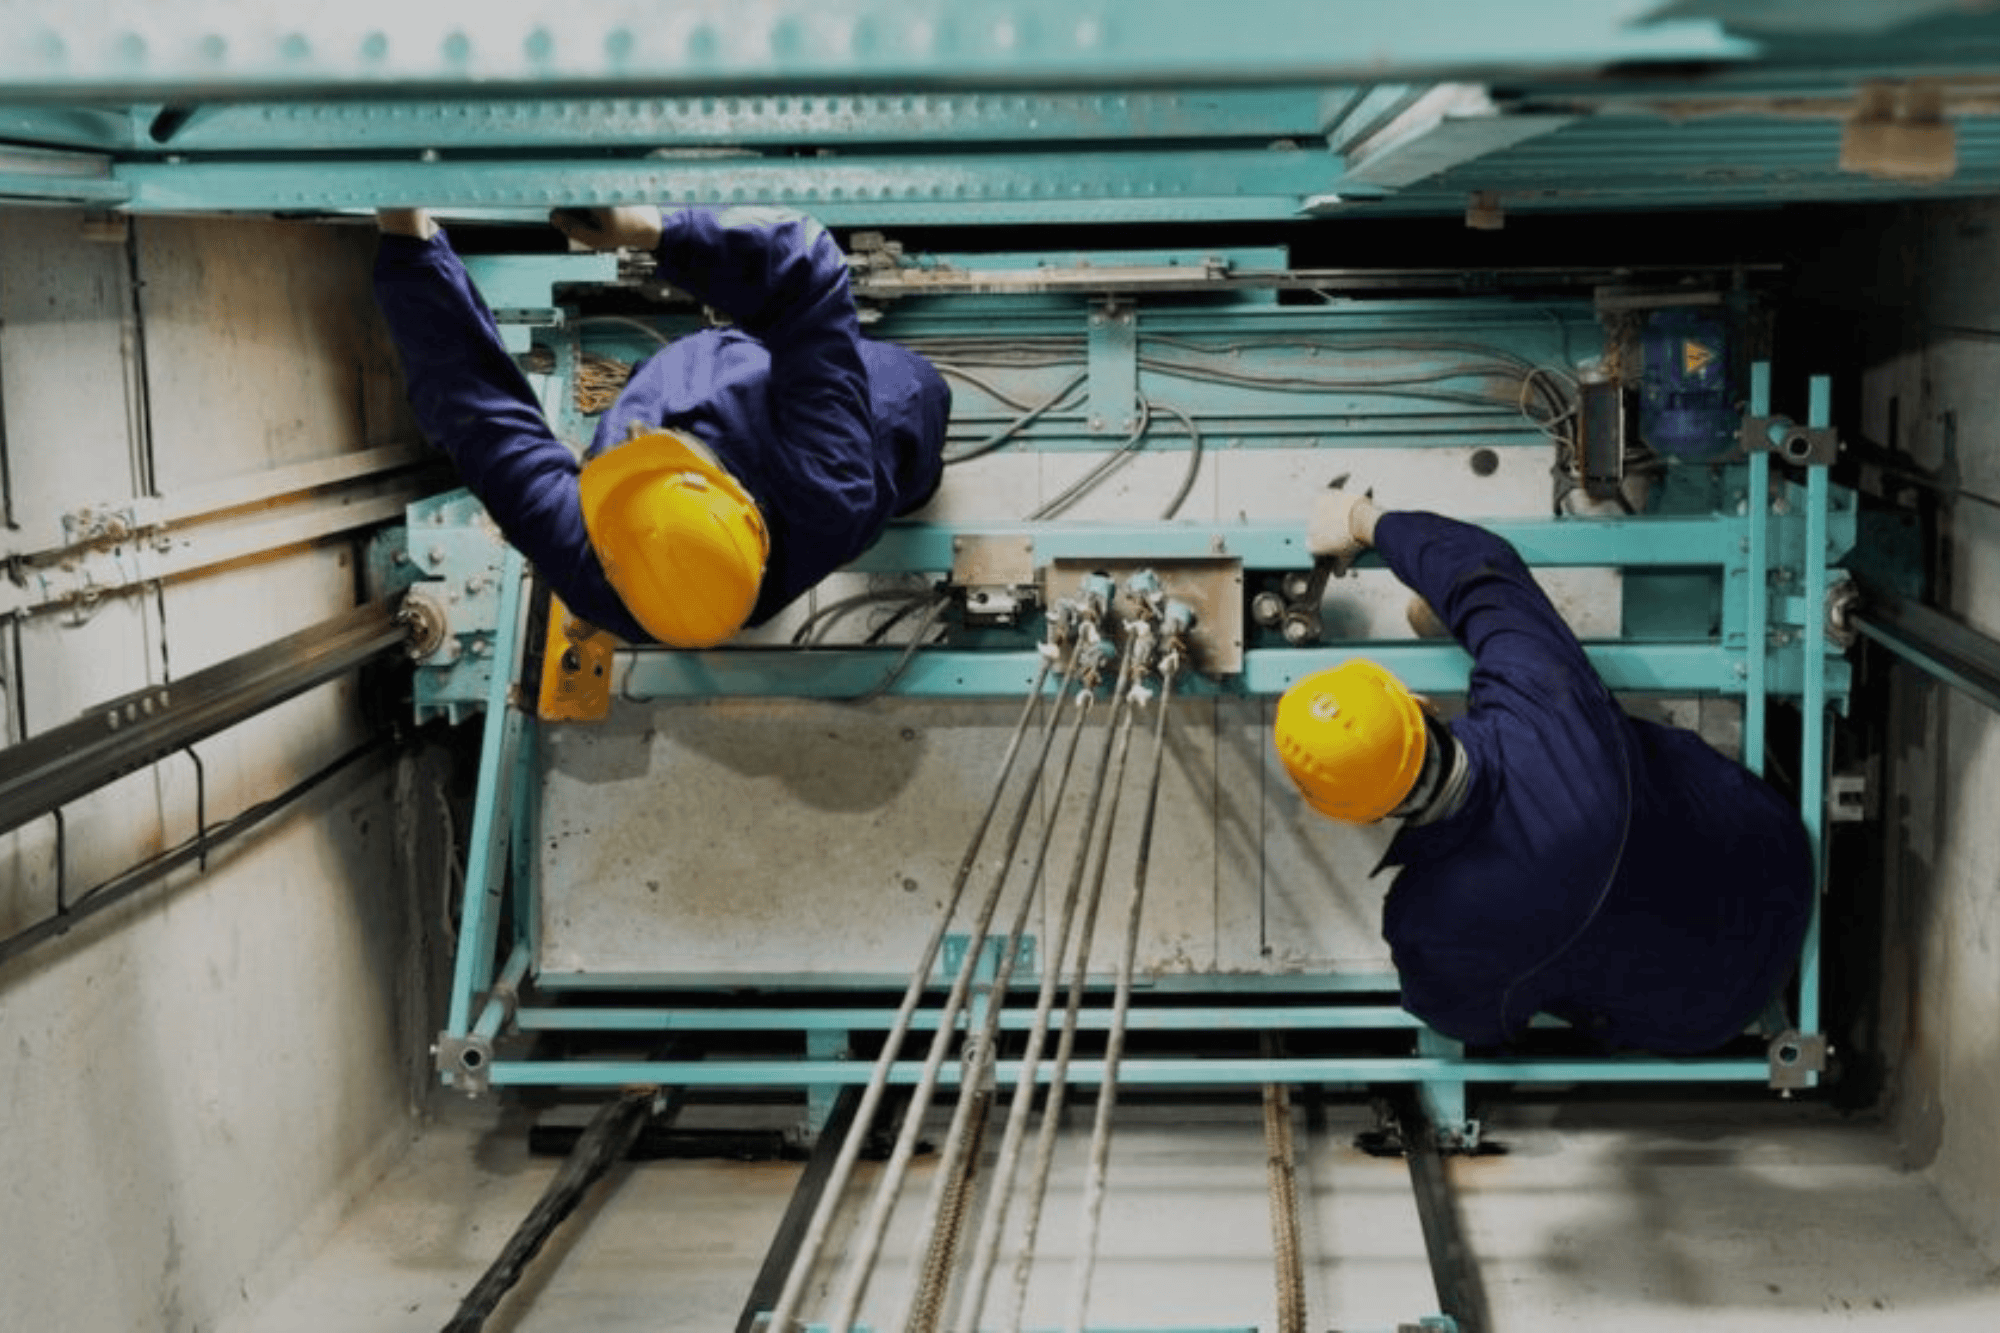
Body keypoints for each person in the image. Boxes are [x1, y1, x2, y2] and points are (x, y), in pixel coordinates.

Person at [1274, 491, 1813, 1055]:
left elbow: (1472, 1024)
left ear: (1361, 814)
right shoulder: (1537, 695)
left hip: (1712, 1009)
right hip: (1772, 849)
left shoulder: (1432, 926)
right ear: (1421, 702)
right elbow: (1482, 570)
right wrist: (1363, 520)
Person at [372, 204, 950, 647]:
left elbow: (479, 415)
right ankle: (919, 482)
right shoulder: (829, 479)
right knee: (913, 393)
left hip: (757, 399)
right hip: (874, 416)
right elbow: (807, 269)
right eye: (658, 446)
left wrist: (406, 238)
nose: (645, 437)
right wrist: (657, 229)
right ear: (735, 489)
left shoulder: (596, 560)